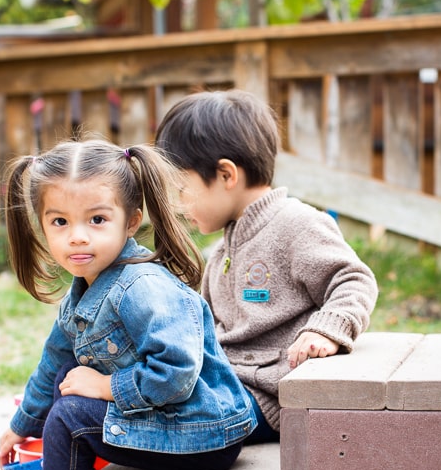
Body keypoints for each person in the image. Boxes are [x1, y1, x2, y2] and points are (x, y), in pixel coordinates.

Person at [0, 136, 256, 470]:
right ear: (42, 227)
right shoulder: (85, 287)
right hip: (172, 422)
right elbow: (54, 363)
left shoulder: (141, 286)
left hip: (203, 433)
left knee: (71, 415)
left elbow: (177, 371)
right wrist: (22, 425)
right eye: (60, 221)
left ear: (131, 222)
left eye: (97, 220)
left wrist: (105, 386)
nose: (77, 235)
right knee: (65, 400)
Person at [154, 89, 378, 444]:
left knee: (182, 426)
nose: (177, 205)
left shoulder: (296, 224)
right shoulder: (222, 251)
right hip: (225, 386)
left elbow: (352, 280)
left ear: (226, 174)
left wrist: (326, 330)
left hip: (265, 397)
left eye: (181, 189)